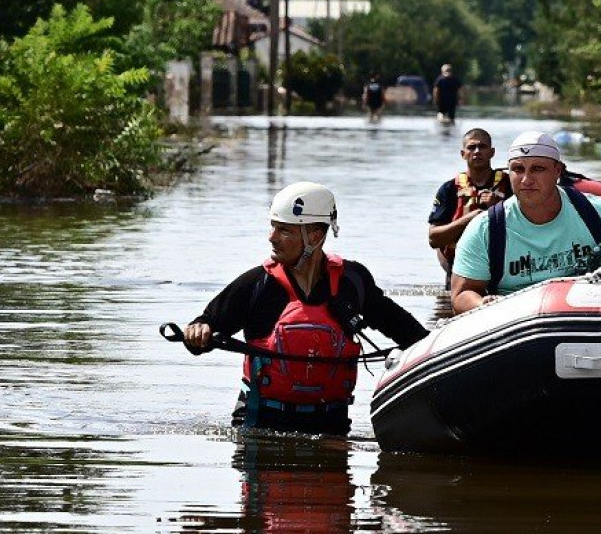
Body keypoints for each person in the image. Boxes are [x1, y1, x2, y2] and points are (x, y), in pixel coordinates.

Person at [183, 181, 429, 436]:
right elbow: (205, 325)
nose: (272, 237)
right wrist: (198, 331)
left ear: (315, 236)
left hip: (331, 425)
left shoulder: (352, 281)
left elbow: (410, 334)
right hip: (260, 422)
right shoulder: (257, 284)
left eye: (284, 230)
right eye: (272, 227)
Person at [448, 131, 601, 313]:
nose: (526, 180)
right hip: (516, 319)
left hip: (589, 313)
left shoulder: (597, 212)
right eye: (518, 169)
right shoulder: (484, 229)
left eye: (537, 169)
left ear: (557, 171)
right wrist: (483, 304)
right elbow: (461, 294)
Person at [427, 128, 512, 286]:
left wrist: (499, 210)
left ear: (492, 152)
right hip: (460, 270)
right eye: (471, 147)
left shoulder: (510, 186)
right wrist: (468, 220)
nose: (477, 151)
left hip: (503, 269)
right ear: (463, 154)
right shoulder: (449, 189)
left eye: (482, 146)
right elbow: (433, 239)